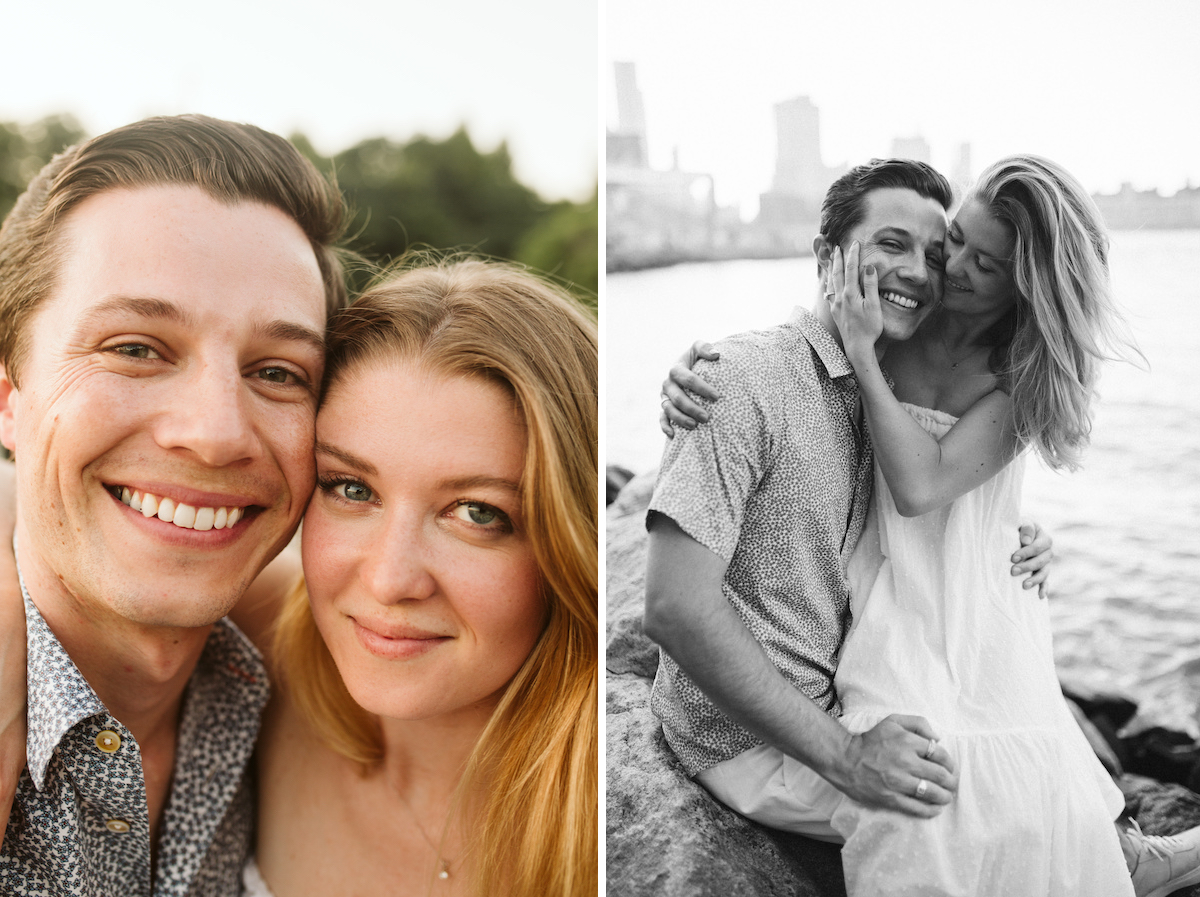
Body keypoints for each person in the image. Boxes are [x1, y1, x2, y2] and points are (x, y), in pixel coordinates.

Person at [659, 156, 1200, 895]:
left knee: (1017, 753)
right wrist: (694, 378)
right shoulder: (811, 354)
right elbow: (678, 599)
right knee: (958, 786)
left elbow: (932, 479)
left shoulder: (960, 367)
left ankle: (1117, 853)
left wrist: (1021, 529)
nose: (941, 271)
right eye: (944, 244)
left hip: (915, 622)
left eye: (966, 258)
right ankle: (1119, 860)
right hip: (819, 663)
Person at [0, 114, 347, 895]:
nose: (216, 433)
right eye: (135, 348)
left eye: (279, 371)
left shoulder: (308, 693)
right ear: (9, 400)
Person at [237, 258, 598, 897]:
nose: (389, 579)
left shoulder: (598, 823)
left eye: (478, 513)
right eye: (351, 488)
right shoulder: (248, 647)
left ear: (568, 544)